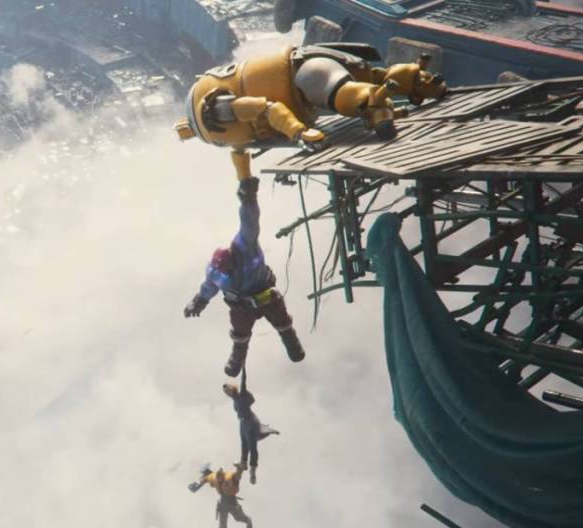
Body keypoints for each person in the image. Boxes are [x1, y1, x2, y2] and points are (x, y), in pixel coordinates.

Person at [173, 45, 447, 182]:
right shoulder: (223, 127)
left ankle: (381, 103)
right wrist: (246, 184)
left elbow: (267, 108)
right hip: (308, 71)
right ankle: (415, 82)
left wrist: (299, 132)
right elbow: (241, 152)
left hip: (306, 76)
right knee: (373, 78)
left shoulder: (217, 115)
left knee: (354, 93)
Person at [184, 176, 305, 377]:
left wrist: (249, 199)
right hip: (241, 307)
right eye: (223, 271)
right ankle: (237, 356)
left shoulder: (245, 248)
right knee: (240, 334)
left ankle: (292, 343)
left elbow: (250, 223)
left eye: (228, 269)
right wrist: (198, 302)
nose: (226, 273)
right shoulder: (215, 272)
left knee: (282, 322)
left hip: (267, 296)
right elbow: (208, 287)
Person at [223, 376, 279, 484]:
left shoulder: (242, 394)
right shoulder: (234, 400)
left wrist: (243, 367)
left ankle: (253, 470)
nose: (227, 393)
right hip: (242, 423)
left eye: (228, 390)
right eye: (226, 392)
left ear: (232, 388)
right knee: (244, 444)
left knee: (252, 446)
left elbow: (243, 380)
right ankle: (243, 463)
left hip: (251, 422)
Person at [188, 462, 252, 528]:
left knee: (238, 518)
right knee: (222, 525)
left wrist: (240, 469)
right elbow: (203, 480)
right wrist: (195, 486)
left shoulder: (229, 477)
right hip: (223, 504)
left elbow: (237, 476)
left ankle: (248, 520)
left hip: (232, 502)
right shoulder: (212, 477)